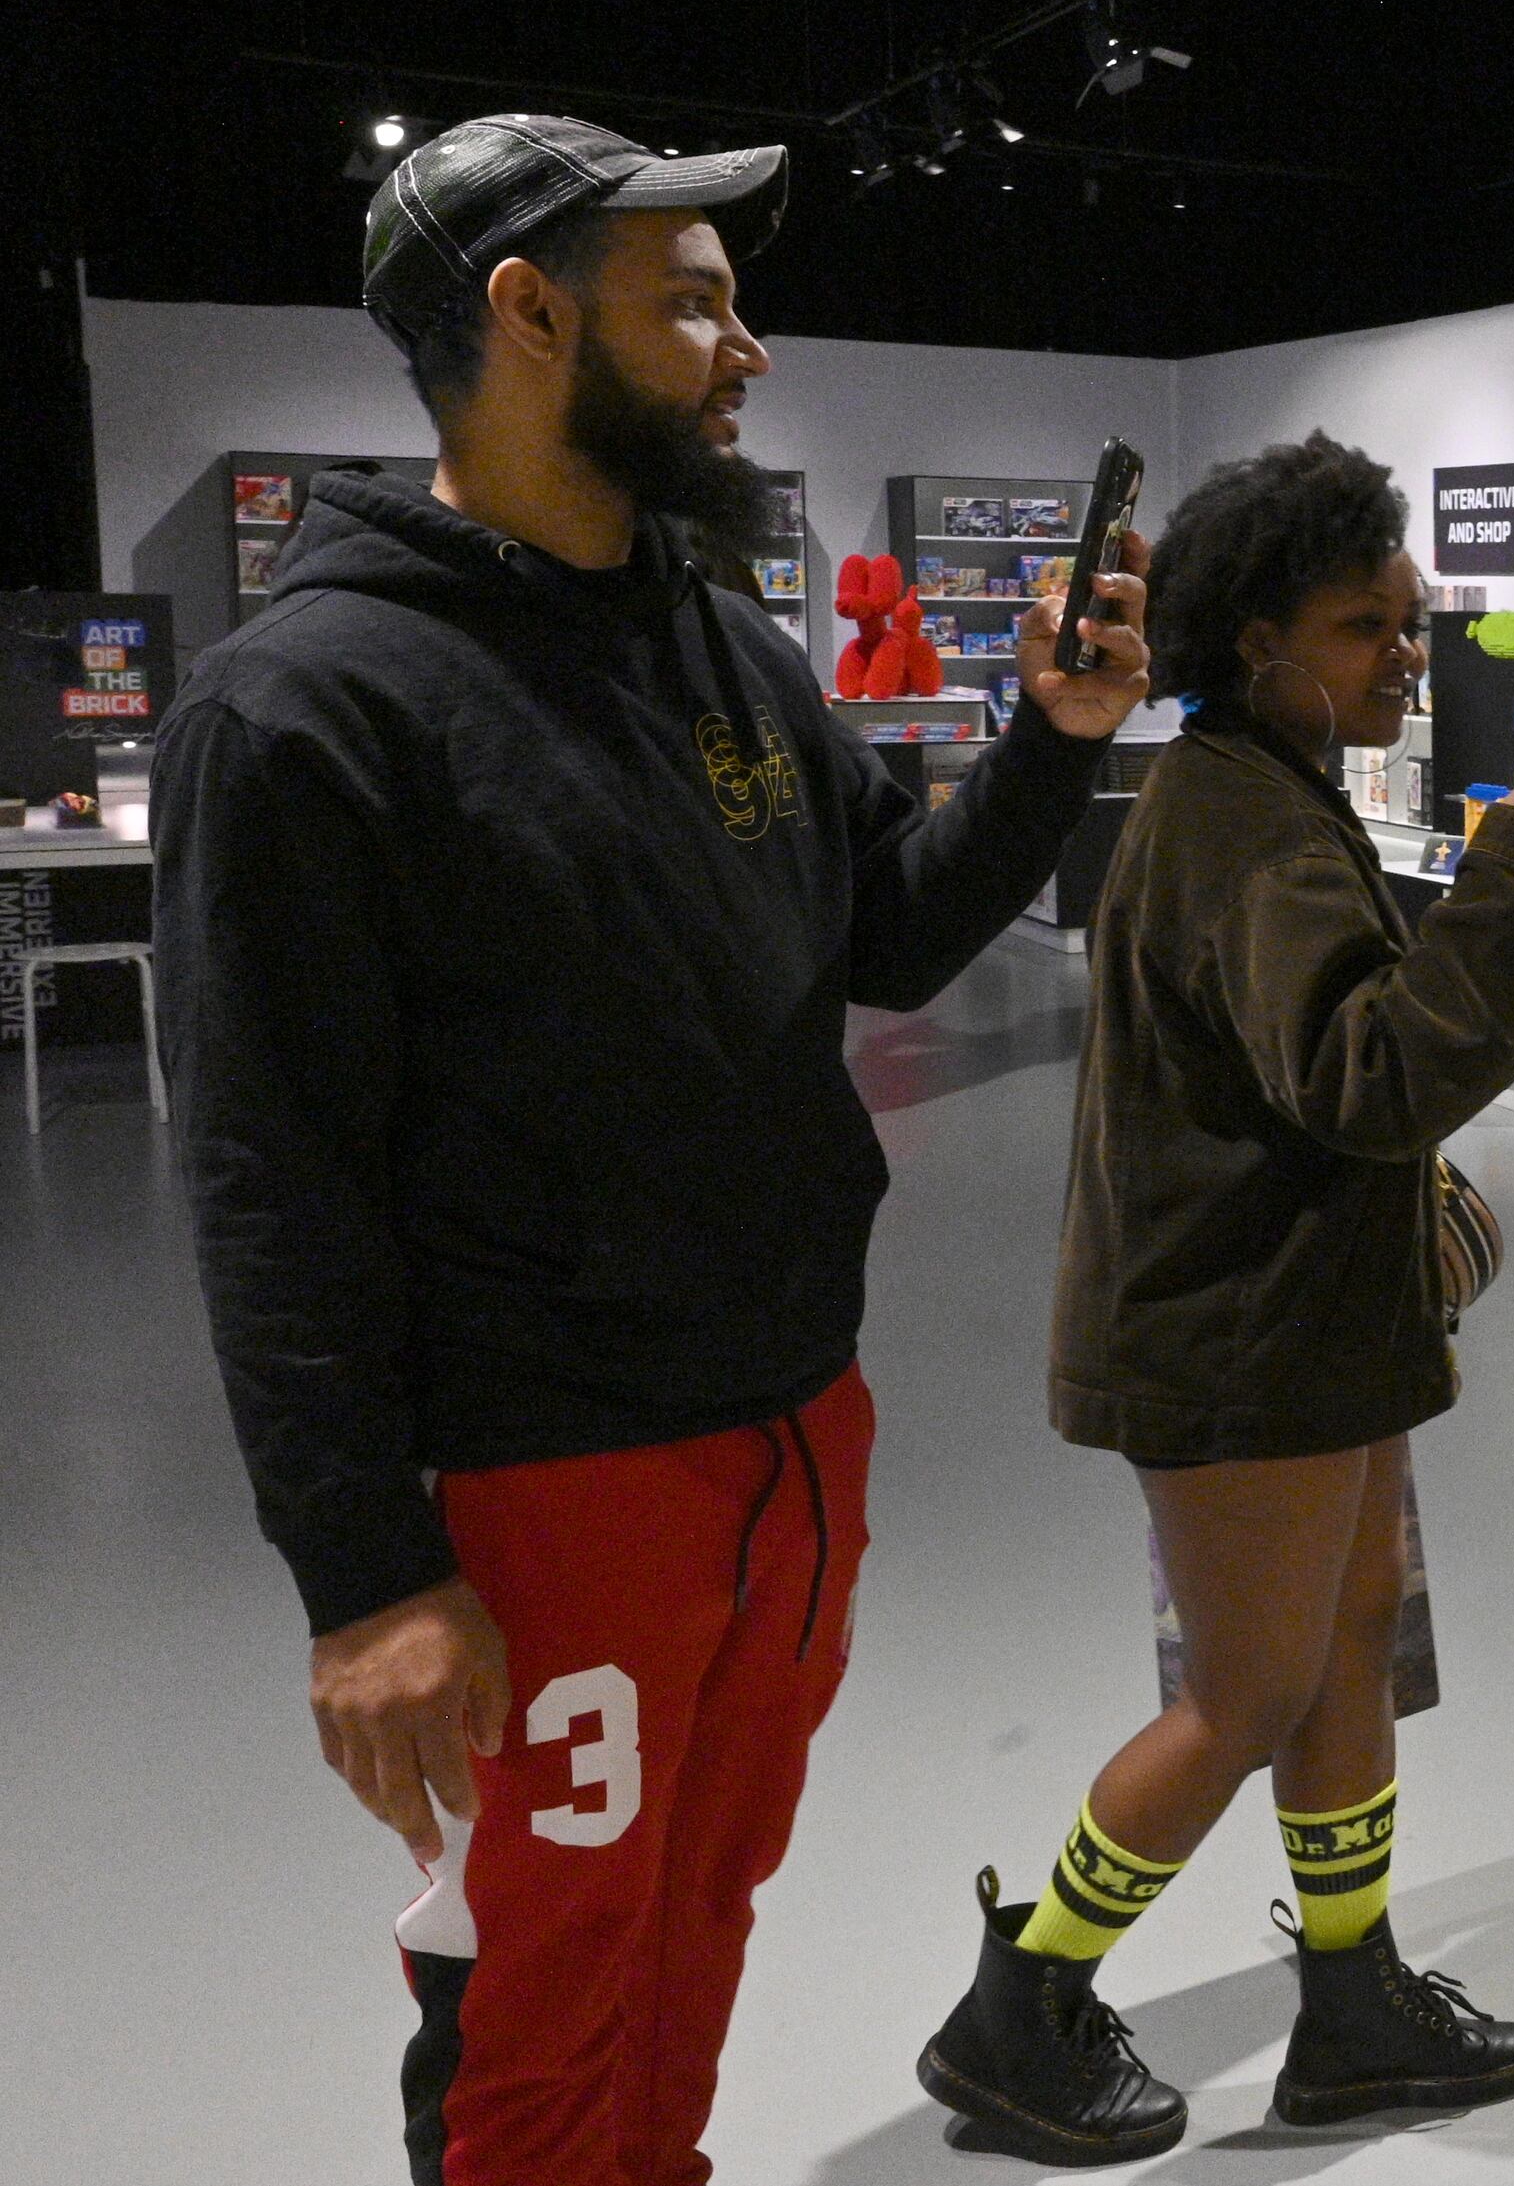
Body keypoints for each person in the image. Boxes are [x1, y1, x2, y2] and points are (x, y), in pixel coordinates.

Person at [151, 113, 1154, 2185]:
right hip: (545, 1488)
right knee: (536, 1995)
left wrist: (1051, 743)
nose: (745, 348)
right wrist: (367, 1581)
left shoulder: (714, 642)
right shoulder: (305, 707)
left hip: (790, 1443)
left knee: (698, 1928)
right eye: (691, 301)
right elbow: (272, 1180)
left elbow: (885, 922)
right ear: (524, 317)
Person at [917, 434, 1514, 2163]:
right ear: (1263, 642)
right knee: (1242, 1693)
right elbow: (1368, 1073)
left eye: (1411, 621)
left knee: (1348, 1637)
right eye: (1371, 627)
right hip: (1236, 1337)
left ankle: (1353, 2000)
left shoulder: (1262, 788)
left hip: (1306, 1321)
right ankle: (1021, 2008)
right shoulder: (1246, 823)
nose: (1408, 655)